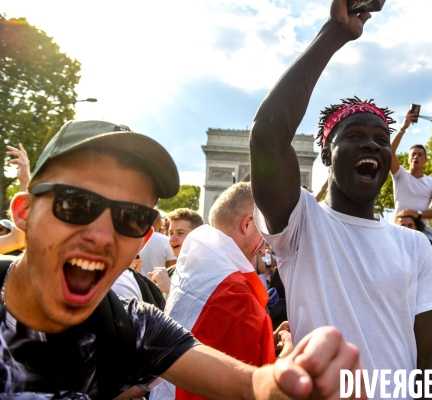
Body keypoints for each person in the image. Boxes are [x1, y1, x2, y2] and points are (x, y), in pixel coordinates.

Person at [2, 119, 362, 399]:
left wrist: (291, 382)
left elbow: (251, 386)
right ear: (24, 212)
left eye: (131, 217)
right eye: (75, 204)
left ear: (145, 236)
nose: (100, 235)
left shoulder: (135, 326)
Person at [249, 2, 432, 397]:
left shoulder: (415, 246)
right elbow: (267, 135)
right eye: (355, 136)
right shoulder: (301, 223)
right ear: (326, 155)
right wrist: (335, 33)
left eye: (380, 140)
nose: (372, 145)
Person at [152, 182, 291, 400]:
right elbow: (258, 387)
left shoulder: (194, 265)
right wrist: (289, 353)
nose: (267, 243)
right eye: (266, 230)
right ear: (247, 224)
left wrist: (265, 337)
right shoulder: (237, 296)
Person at [390, 111, 432, 240]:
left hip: (422, 230)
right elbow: (390, 151)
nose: (416, 157)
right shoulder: (400, 174)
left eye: (420, 155)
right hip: (399, 227)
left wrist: (417, 214)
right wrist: (403, 127)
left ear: (425, 160)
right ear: (408, 160)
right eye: (413, 154)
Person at [147, 208, 204, 294]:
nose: (172, 239)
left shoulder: (208, 273)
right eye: (170, 233)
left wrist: (169, 288)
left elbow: (203, 306)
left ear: (197, 236)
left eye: (180, 233)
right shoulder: (170, 272)